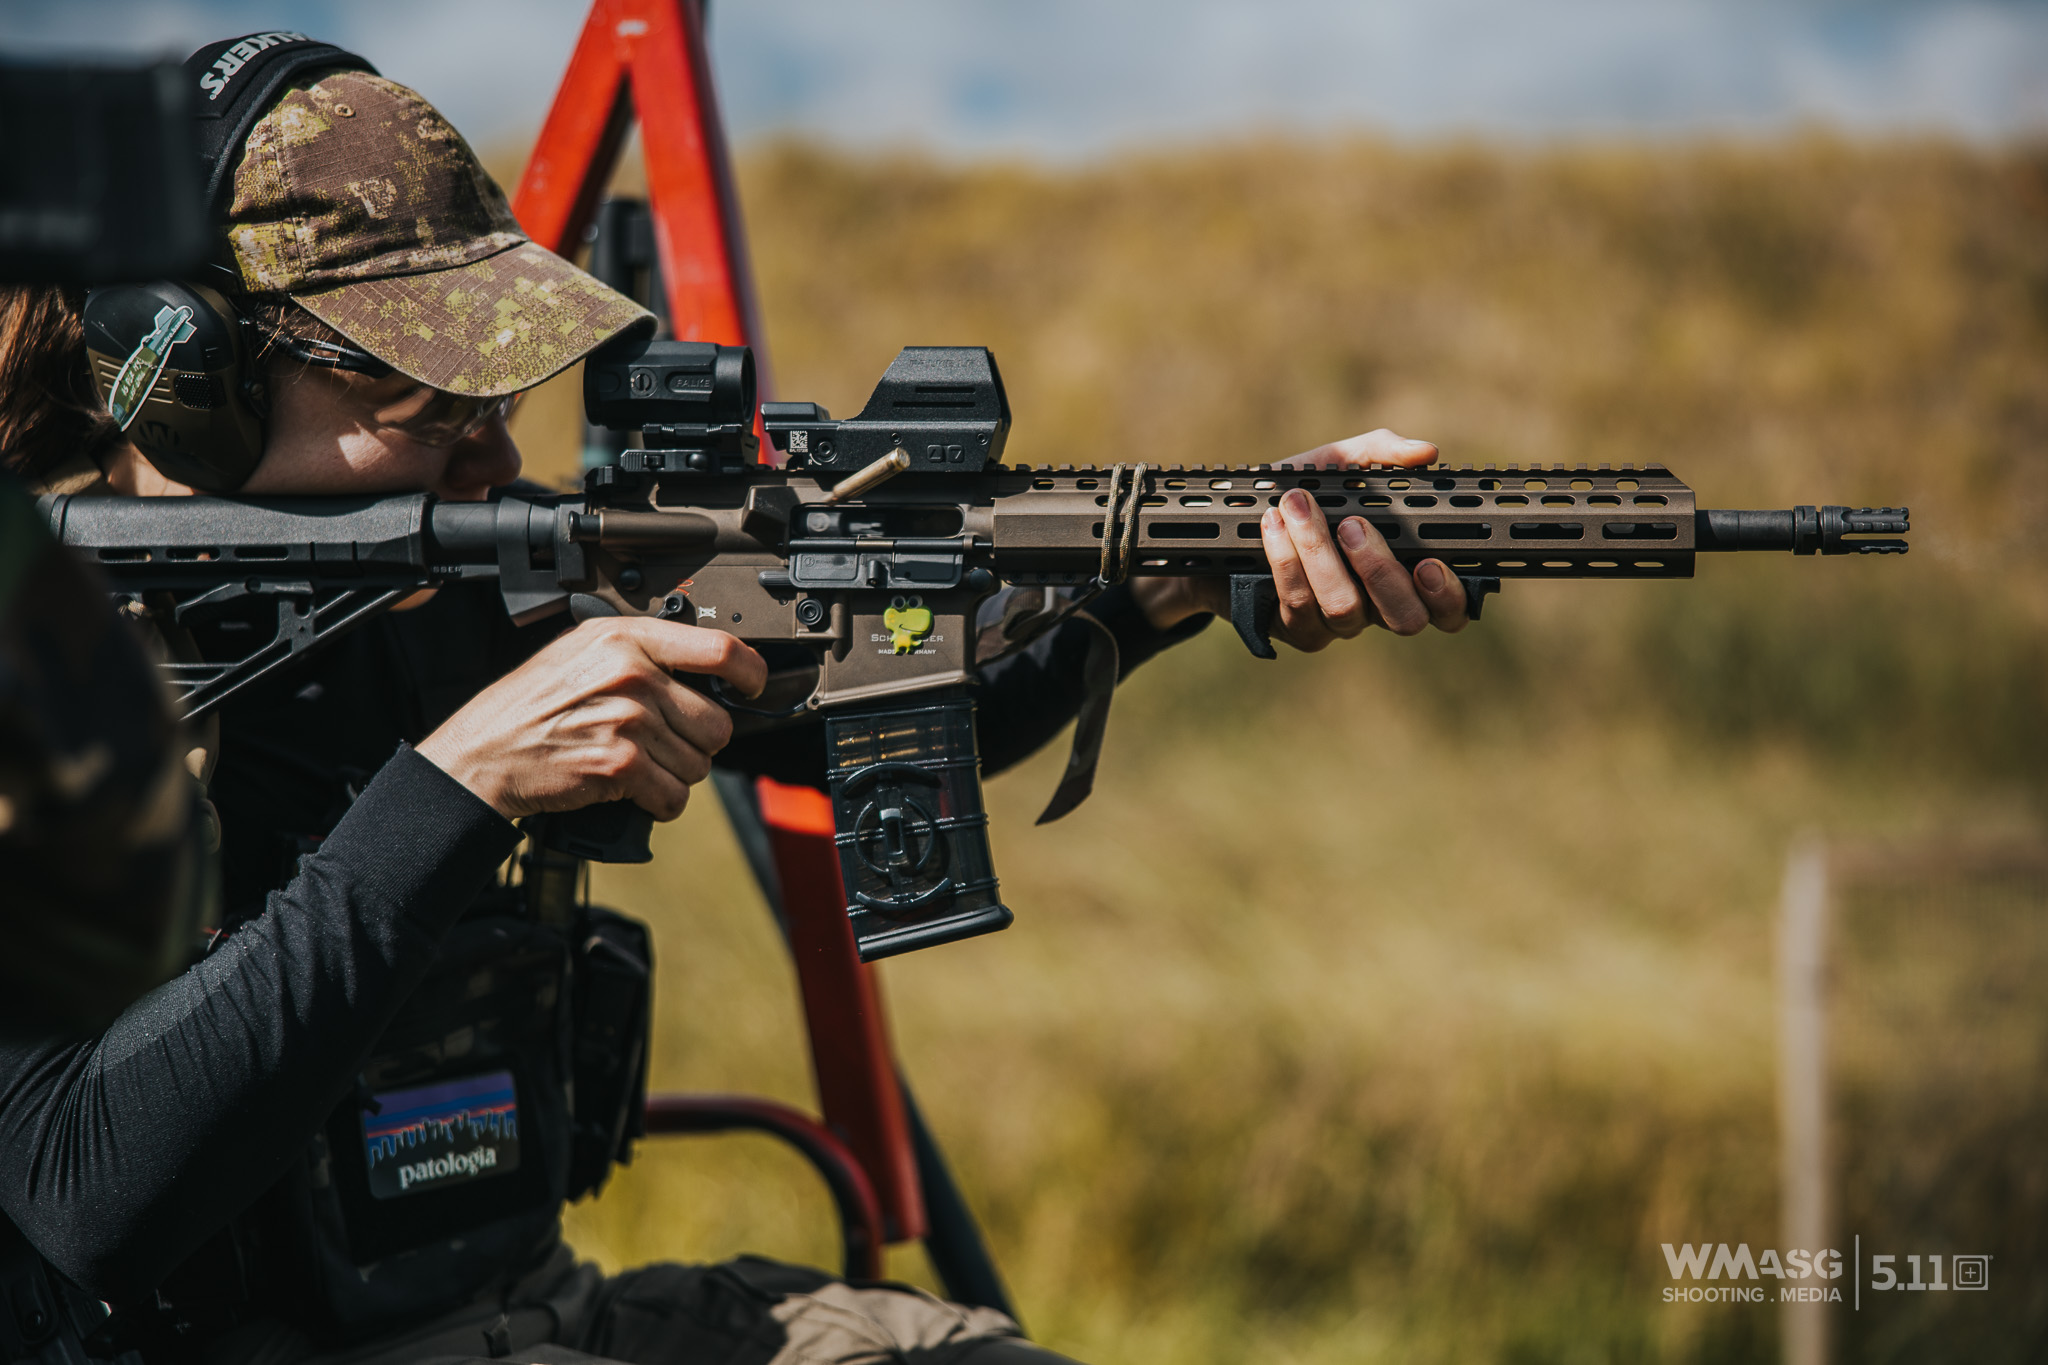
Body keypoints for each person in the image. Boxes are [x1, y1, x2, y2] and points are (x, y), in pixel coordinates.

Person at [0, 39, 1469, 1365]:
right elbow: (82, 1187)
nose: (490, 460)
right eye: (434, 397)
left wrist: (1176, 578)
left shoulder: (469, 583)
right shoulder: (33, 679)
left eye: (503, 394)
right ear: (181, 370)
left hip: (533, 1311)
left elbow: (885, 721)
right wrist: (460, 784)